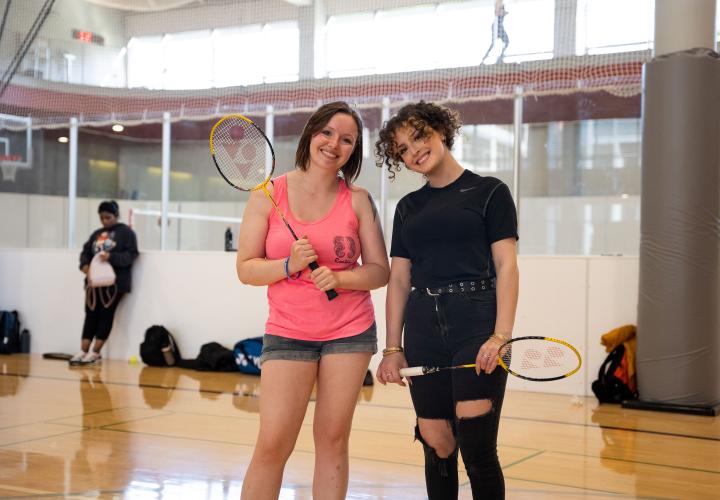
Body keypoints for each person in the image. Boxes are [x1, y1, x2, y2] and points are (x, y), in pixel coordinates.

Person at [236, 101, 389, 499]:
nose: (334, 144)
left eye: (347, 139)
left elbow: (379, 271)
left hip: (349, 331)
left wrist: (339, 276)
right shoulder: (268, 194)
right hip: (288, 332)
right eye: (327, 133)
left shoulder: (358, 199)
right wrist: (289, 264)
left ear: (353, 150)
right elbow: (247, 269)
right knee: (273, 443)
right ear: (311, 134)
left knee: (333, 440)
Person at [374, 101, 519, 499]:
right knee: (436, 441)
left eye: (419, 136)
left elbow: (507, 267)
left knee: (476, 448)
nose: (414, 150)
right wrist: (392, 348)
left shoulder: (490, 191)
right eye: (402, 148)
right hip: (423, 329)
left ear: (441, 131)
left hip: (476, 323)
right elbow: (400, 280)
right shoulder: (408, 208)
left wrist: (500, 336)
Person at [71, 200, 139, 366]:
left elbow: (131, 255)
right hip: (94, 284)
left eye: (108, 217)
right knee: (91, 314)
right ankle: (83, 350)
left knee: (106, 314)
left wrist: (111, 257)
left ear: (116, 215)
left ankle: (95, 352)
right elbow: (86, 252)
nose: (105, 221)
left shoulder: (126, 233)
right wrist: (84, 265)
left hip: (114, 284)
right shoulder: (96, 234)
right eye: (102, 218)